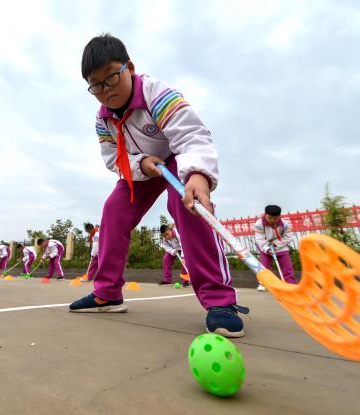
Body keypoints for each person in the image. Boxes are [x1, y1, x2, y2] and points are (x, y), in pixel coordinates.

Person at [68, 34, 247, 337]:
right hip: (142, 168)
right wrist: (142, 164)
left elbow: (191, 134)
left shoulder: (157, 93)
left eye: (111, 78)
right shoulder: (103, 121)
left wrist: (198, 175)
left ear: (130, 67)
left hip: (179, 156)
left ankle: (220, 301)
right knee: (114, 209)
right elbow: (113, 159)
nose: (105, 91)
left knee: (185, 203)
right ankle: (107, 293)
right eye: (95, 85)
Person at [253, 205, 297, 291]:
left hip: (281, 247)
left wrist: (275, 244)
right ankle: (263, 283)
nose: (272, 220)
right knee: (263, 267)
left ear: (279, 216)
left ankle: (290, 284)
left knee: (287, 267)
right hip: (265, 247)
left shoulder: (284, 224)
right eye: (270, 218)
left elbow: (288, 237)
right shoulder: (259, 224)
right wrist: (267, 249)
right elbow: (260, 239)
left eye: (275, 218)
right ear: (265, 215)